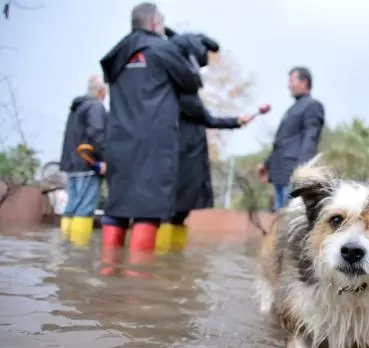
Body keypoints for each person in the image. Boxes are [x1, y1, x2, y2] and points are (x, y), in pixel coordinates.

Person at [99, 2, 202, 259]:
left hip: (118, 142)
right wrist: (184, 46)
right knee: (148, 209)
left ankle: (107, 271)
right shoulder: (162, 49)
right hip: (154, 145)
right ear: (155, 23)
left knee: (117, 207)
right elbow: (192, 81)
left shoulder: (116, 55)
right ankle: (138, 288)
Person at [156, 93, 254, 252]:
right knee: (173, 212)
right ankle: (165, 256)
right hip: (184, 159)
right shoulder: (184, 96)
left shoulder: (173, 97)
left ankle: (172, 259)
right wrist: (236, 121)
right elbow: (208, 119)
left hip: (183, 157)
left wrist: (236, 121)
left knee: (178, 213)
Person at [257, 66, 325, 210]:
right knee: (280, 219)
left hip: (293, 174)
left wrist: (302, 171)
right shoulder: (292, 109)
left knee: (291, 220)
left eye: (291, 80)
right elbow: (284, 141)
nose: (289, 85)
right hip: (280, 174)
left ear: (304, 81)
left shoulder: (313, 106)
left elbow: (310, 139)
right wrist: (266, 164)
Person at [58, 75, 108, 245]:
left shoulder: (77, 108)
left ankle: (65, 245)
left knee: (71, 207)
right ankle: (79, 253)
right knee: (85, 209)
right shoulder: (95, 107)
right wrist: (102, 160)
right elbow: (97, 134)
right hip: (88, 165)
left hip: (72, 166)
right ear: (101, 91)